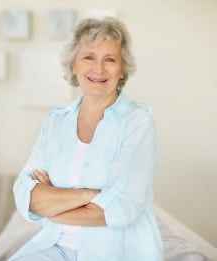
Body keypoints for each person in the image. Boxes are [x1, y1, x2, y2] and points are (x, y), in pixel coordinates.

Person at [10, 17, 163, 261]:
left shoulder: (138, 121)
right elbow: (24, 195)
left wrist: (53, 205)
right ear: (73, 65)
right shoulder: (55, 122)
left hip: (117, 252)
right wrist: (91, 195)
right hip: (55, 246)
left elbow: (122, 208)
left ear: (122, 68)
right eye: (89, 57)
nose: (99, 69)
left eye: (110, 59)